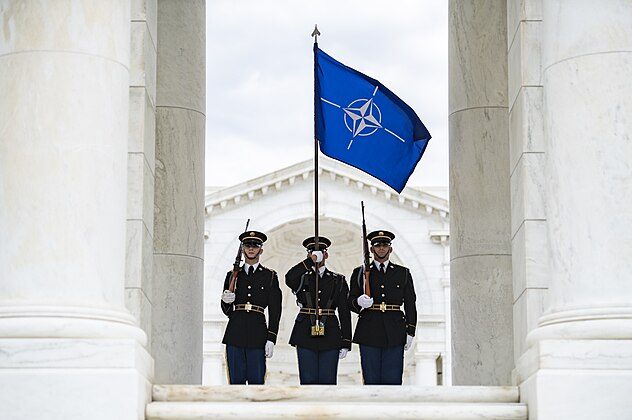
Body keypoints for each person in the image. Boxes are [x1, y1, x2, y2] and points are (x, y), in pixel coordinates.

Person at [348, 230, 417, 385]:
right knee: (371, 380)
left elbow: (410, 303)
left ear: (390, 249)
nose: (381, 248)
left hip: (395, 330)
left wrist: (410, 330)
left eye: (385, 245)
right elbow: (349, 301)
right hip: (369, 330)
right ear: (371, 249)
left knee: (393, 380)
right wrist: (359, 301)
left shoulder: (403, 273)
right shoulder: (359, 272)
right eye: (377, 245)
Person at [285, 236, 352, 385]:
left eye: (321, 252)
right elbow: (289, 277)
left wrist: (346, 341)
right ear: (308, 254)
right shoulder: (301, 277)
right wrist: (310, 261)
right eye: (312, 252)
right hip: (304, 333)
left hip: (331, 333)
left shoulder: (338, 280)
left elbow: (344, 312)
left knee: (328, 381)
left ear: (326, 254)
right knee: (307, 381)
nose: (317, 255)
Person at [220, 230, 282, 384]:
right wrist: (226, 301)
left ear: (261, 249)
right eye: (248, 245)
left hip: (258, 335)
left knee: (257, 385)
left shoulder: (270, 276)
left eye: (255, 245)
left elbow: (275, 311)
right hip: (235, 334)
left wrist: (271, 338)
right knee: (236, 384)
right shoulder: (232, 275)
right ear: (242, 249)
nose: (251, 249)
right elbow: (227, 311)